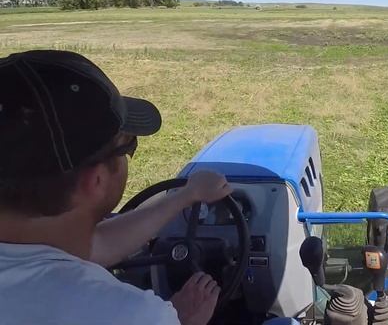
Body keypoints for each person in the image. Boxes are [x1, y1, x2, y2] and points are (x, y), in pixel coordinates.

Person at [0, 50, 231, 325]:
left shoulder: (33, 245)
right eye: (127, 147)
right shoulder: (128, 314)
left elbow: (93, 246)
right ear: (96, 179)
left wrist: (187, 195)